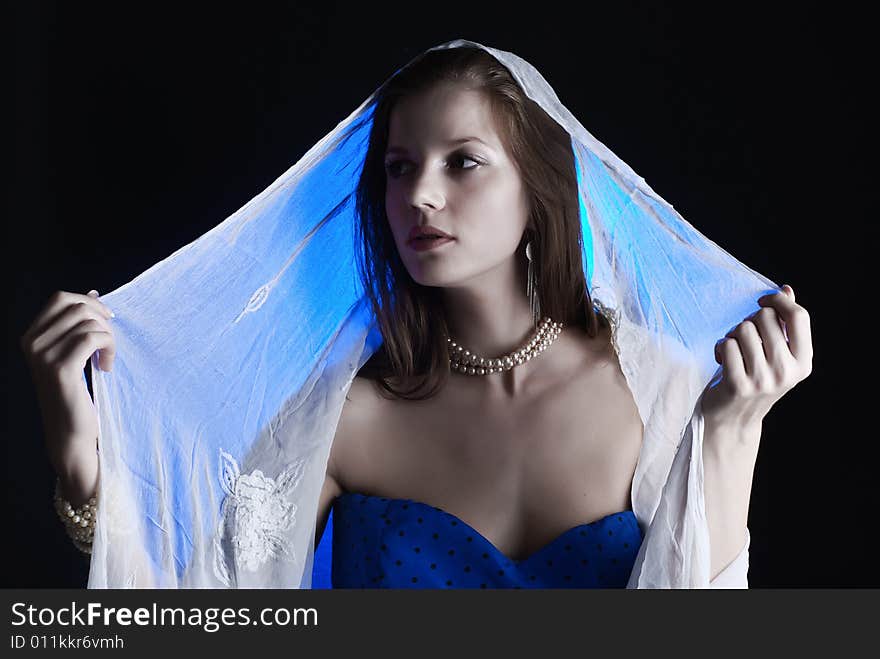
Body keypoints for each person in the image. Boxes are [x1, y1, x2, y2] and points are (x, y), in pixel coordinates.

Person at [20, 40, 812, 588]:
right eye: (400, 168)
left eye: (462, 162)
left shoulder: (661, 391)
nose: (420, 196)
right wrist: (82, 459)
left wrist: (735, 428)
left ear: (539, 190)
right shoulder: (341, 417)